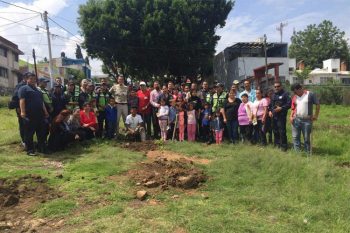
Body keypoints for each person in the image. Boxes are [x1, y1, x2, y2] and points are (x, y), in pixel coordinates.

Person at [18, 73, 49, 155]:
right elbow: (22, 100)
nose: (33, 80)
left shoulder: (38, 90)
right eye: (31, 78)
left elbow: (41, 102)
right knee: (29, 133)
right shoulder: (23, 88)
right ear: (27, 79)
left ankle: (41, 148)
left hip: (40, 115)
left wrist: (45, 112)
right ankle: (30, 150)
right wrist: (22, 112)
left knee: (41, 133)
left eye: (34, 79)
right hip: (29, 115)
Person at [290, 83, 320, 153]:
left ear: (300, 89)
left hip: (307, 120)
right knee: (295, 137)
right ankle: (297, 154)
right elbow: (293, 108)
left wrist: (316, 115)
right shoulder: (295, 97)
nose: (294, 93)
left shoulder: (310, 94)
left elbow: (317, 105)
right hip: (296, 119)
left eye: (295, 91)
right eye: (294, 92)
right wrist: (291, 116)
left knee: (306, 138)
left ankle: (308, 153)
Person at [268, 81, 291, 151]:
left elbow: (289, 104)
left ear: (281, 86)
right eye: (275, 87)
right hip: (274, 116)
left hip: (281, 116)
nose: (276, 88)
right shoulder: (273, 95)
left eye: (278, 86)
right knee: (275, 131)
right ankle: (277, 145)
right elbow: (270, 105)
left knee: (282, 131)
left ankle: (284, 146)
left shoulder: (285, 94)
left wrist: (281, 108)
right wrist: (270, 111)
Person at [9, 72, 28, 146]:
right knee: (23, 124)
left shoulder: (27, 85)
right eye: (28, 78)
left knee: (27, 124)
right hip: (20, 109)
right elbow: (16, 97)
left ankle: (27, 140)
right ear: (25, 78)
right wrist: (18, 108)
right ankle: (24, 141)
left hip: (27, 108)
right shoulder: (20, 85)